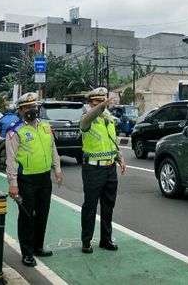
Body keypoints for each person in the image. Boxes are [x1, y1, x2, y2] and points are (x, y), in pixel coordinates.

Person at [5, 92, 63, 267]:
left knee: (42, 214)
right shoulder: (15, 131)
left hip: (44, 178)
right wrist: (13, 184)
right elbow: (11, 159)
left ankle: (38, 246)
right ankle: (27, 252)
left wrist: (57, 169)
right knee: (27, 216)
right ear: (21, 110)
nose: (32, 110)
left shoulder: (45, 127)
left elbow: (53, 149)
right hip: (26, 180)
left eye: (34, 107)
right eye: (28, 107)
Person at [79, 87, 126, 254]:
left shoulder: (108, 119)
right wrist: (100, 107)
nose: (101, 106)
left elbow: (112, 141)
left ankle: (106, 239)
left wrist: (119, 157)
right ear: (90, 103)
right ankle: (86, 241)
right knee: (90, 206)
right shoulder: (87, 119)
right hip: (93, 168)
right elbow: (87, 120)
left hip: (109, 168)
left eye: (103, 102)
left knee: (108, 206)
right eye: (97, 102)